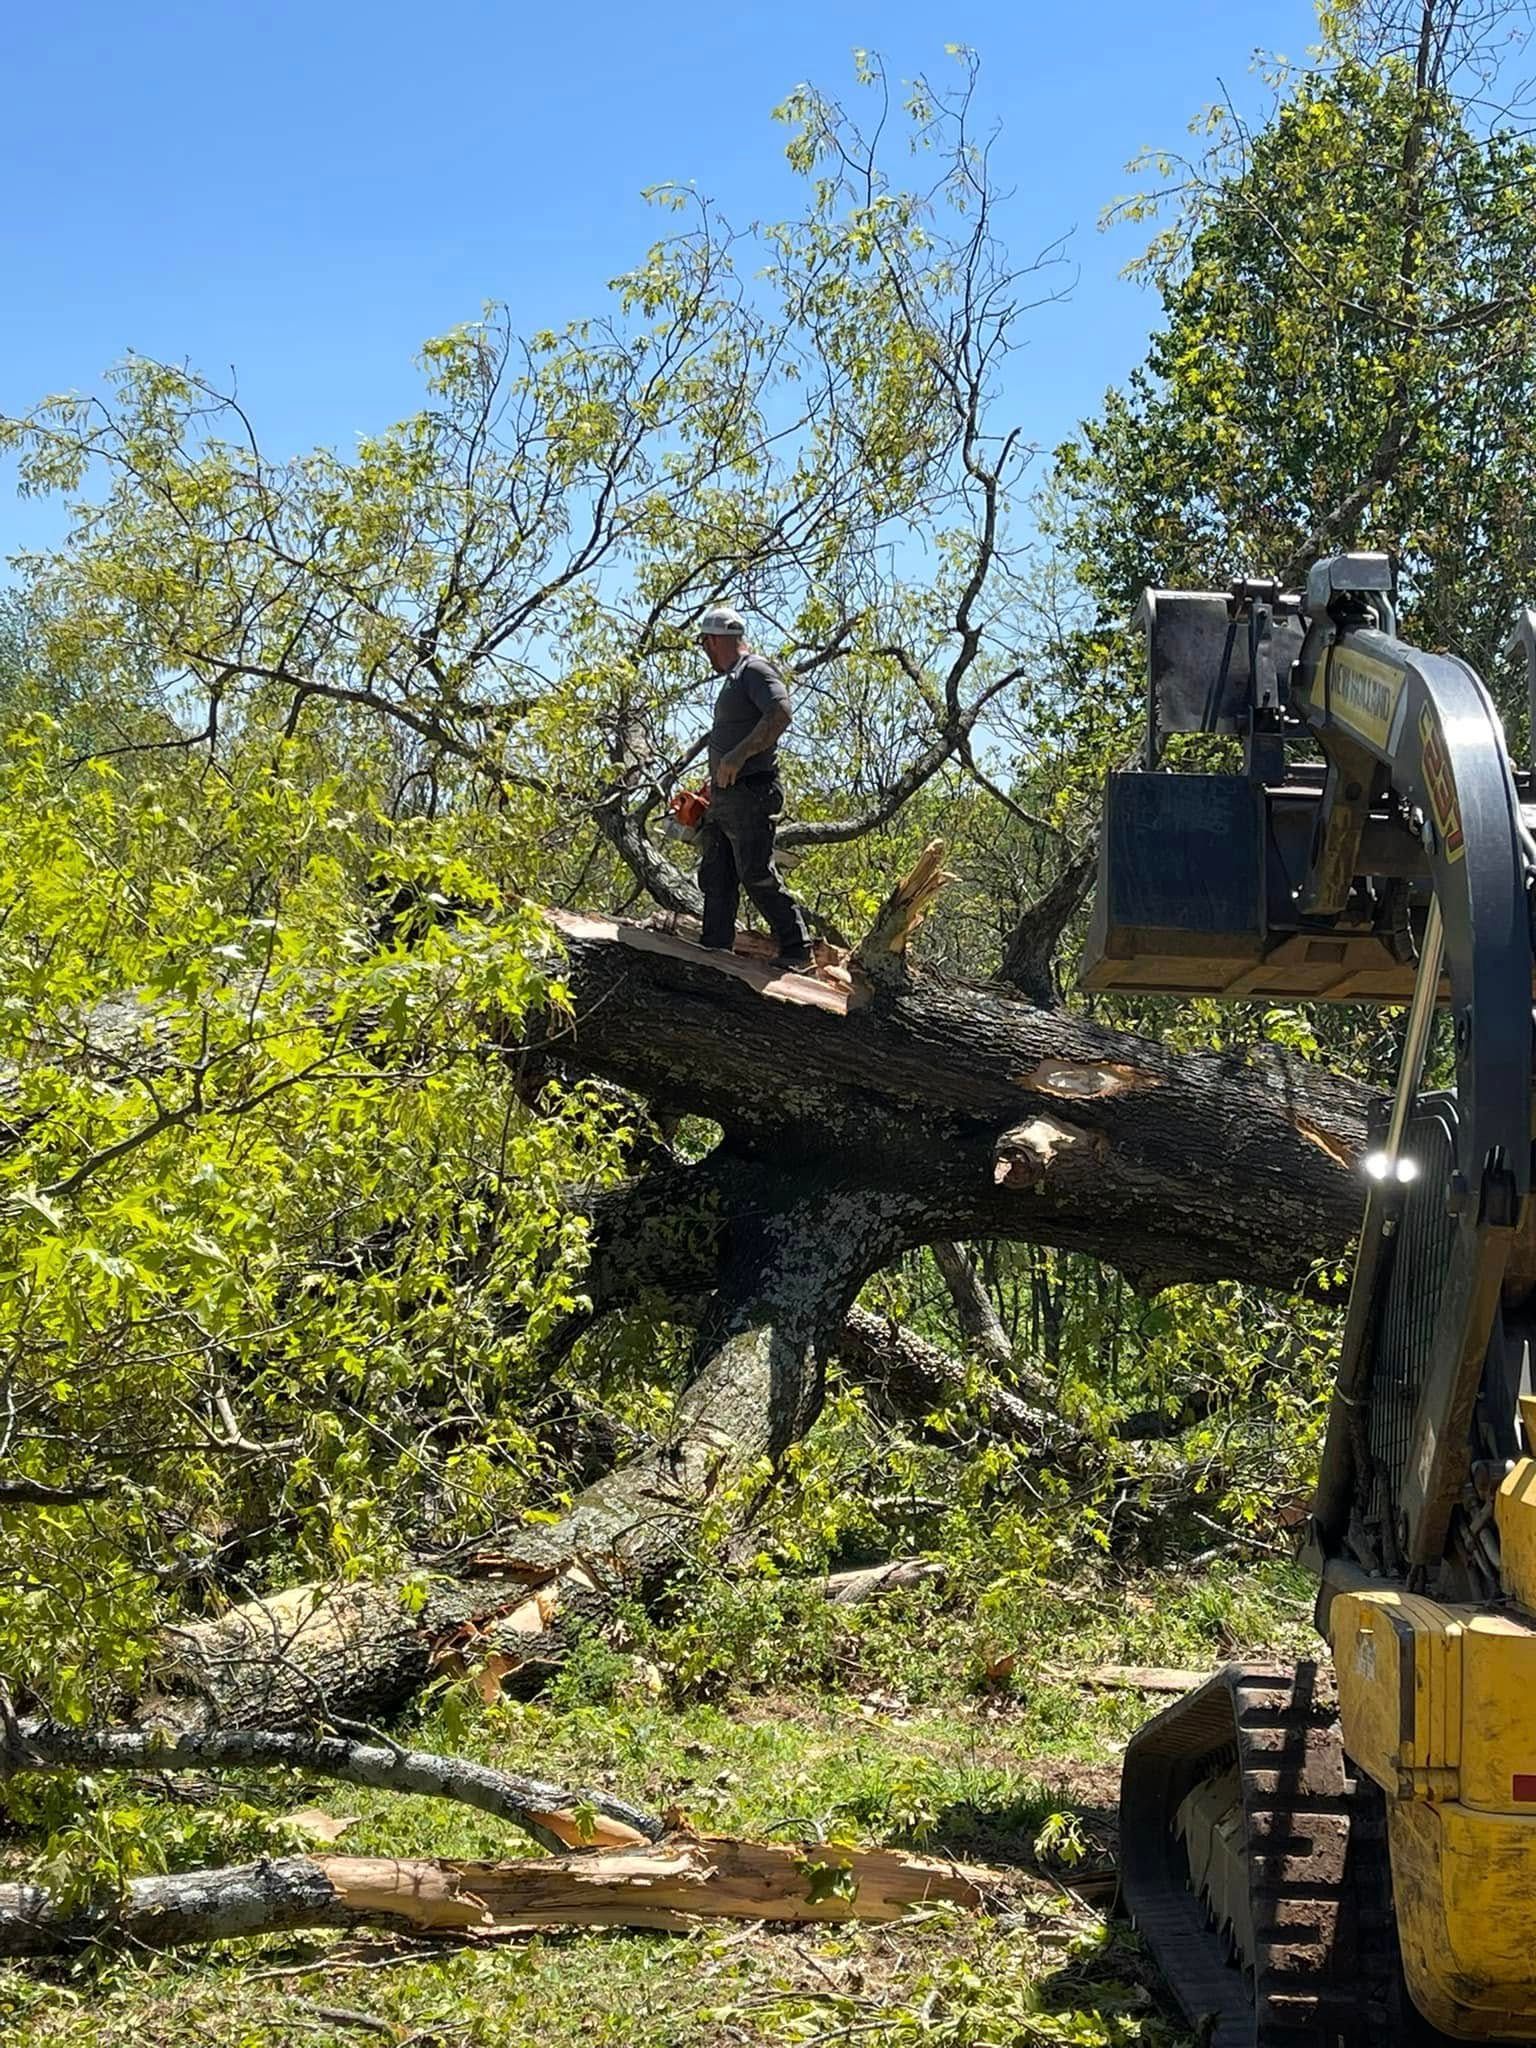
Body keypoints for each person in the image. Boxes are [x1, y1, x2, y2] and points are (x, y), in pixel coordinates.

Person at [693, 605, 813, 971]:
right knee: (716, 873)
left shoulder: (754, 670)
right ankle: (714, 952)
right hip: (727, 795)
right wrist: (714, 780)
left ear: (713, 640)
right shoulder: (734, 678)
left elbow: (780, 713)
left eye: (704, 644)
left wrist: (737, 757)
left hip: (751, 792)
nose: (706, 652)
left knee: (755, 873)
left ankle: (796, 949)